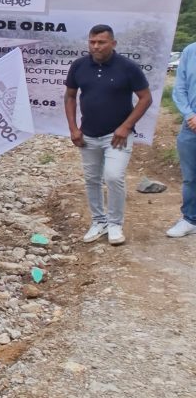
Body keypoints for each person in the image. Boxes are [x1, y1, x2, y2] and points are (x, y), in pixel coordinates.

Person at [64, 24, 151, 245]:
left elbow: (145, 98)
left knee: (113, 176)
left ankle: (114, 224)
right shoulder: (79, 66)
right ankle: (98, 222)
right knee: (92, 179)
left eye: (101, 42)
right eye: (92, 42)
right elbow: (70, 97)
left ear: (113, 43)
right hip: (88, 135)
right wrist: (73, 128)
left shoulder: (128, 67)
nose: (96, 46)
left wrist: (126, 126)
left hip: (117, 136)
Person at [169, 41, 196, 238]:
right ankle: (190, 219)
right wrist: (189, 115)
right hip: (192, 124)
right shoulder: (190, 51)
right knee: (190, 176)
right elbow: (180, 88)